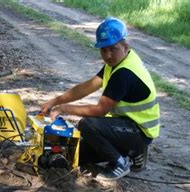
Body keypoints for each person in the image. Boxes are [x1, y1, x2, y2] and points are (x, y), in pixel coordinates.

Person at [41, 17, 160, 181]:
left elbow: (100, 110)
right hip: (125, 126)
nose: (108, 55)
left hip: (139, 132)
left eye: (113, 49)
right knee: (78, 154)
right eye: (104, 50)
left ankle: (120, 163)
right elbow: (87, 87)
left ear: (125, 46)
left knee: (87, 124)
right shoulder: (118, 61)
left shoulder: (124, 73)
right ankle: (132, 152)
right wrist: (55, 101)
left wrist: (64, 108)